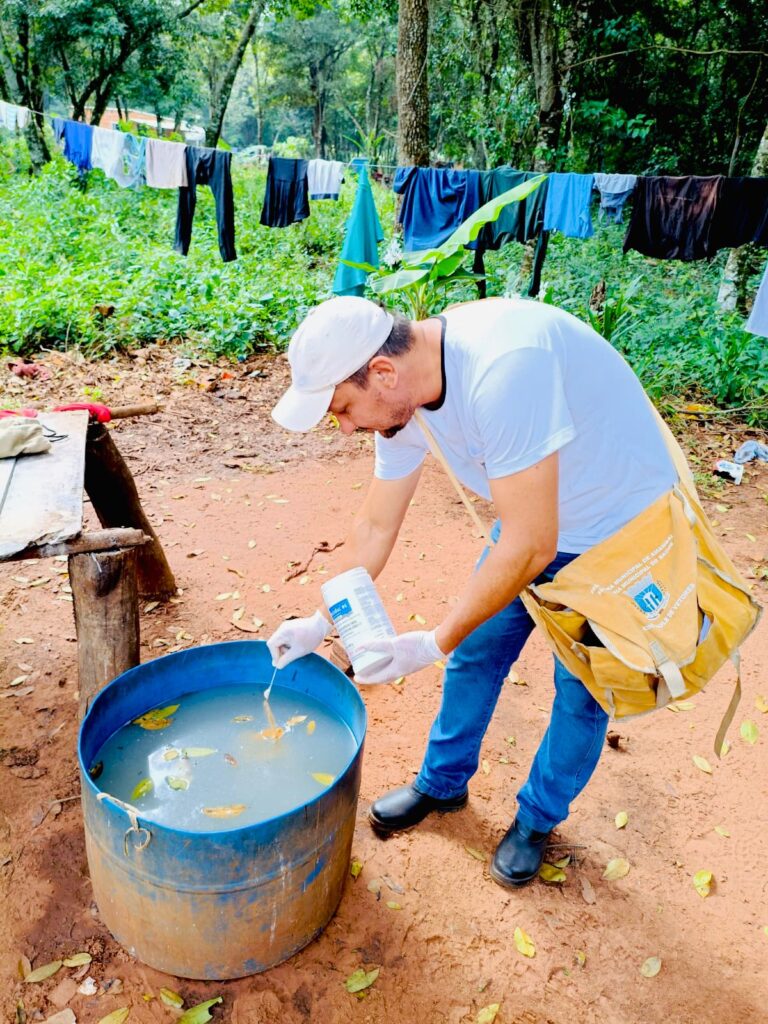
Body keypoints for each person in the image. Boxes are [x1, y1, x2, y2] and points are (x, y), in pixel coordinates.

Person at [267, 294, 677, 888]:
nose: (347, 427)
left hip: (617, 536)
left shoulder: (504, 367)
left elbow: (532, 546)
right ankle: (442, 782)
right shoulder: (404, 398)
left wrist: (430, 642)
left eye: (343, 409)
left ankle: (537, 819)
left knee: (582, 688)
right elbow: (376, 526)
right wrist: (318, 620)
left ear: (381, 372)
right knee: (477, 653)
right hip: (532, 518)